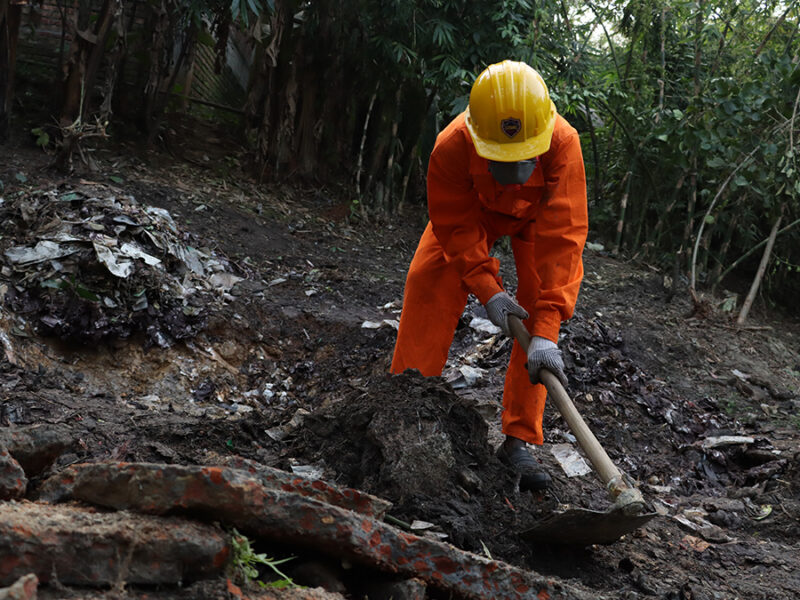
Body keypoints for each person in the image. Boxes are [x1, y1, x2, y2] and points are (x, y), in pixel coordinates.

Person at [390, 60, 588, 490]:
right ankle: (404, 406)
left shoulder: (564, 144)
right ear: (478, 138)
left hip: (537, 223)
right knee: (428, 281)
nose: (515, 174)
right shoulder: (451, 146)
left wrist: (548, 331)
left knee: (539, 311)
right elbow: (455, 226)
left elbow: (564, 238)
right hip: (473, 215)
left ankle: (518, 441)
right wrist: (486, 288)